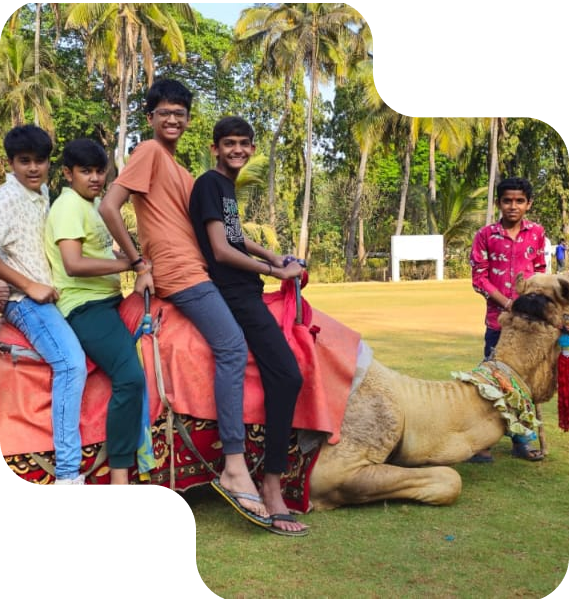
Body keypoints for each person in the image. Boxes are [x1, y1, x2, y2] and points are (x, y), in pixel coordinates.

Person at [98, 80, 271, 522]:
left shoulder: (182, 170)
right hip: (179, 272)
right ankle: (234, 466)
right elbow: (109, 207)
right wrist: (139, 262)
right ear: (151, 117)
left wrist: (270, 256)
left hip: (196, 267)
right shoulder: (150, 153)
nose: (172, 119)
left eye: (179, 113)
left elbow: (220, 232)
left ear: (189, 120)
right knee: (231, 347)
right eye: (163, 113)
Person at [189, 115, 309, 536]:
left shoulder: (225, 188)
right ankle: (272, 485)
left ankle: (272, 479)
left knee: (286, 372)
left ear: (252, 148)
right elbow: (221, 250)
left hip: (246, 287)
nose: (237, 150)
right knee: (287, 376)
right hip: (234, 293)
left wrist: (275, 256)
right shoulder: (209, 183)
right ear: (215, 148)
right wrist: (274, 272)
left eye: (244, 144)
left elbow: (235, 235)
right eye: (229, 144)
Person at [45, 138, 145, 485]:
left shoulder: (96, 203)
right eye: (85, 171)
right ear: (67, 173)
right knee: (130, 377)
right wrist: (129, 264)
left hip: (109, 299)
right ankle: (119, 476)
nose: (94, 177)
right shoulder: (69, 206)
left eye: (100, 170)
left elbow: (103, 253)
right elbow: (73, 264)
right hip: (84, 305)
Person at [0, 125, 88, 485]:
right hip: (26, 302)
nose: (33, 168)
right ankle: (68, 474)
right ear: (10, 163)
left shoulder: (44, 194)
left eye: (40, 161)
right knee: (71, 365)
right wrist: (28, 285)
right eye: (25, 162)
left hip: (53, 296)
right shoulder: (7, 198)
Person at [470, 176, 546, 462]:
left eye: (519, 201)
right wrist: (507, 303)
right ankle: (481, 442)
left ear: (528, 204)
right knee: (492, 381)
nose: (513, 206)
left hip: (529, 325)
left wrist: (531, 305)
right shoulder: (485, 235)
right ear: (499, 203)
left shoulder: (537, 233)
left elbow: (540, 272)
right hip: (498, 322)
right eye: (507, 201)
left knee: (524, 383)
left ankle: (522, 441)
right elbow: (479, 278)